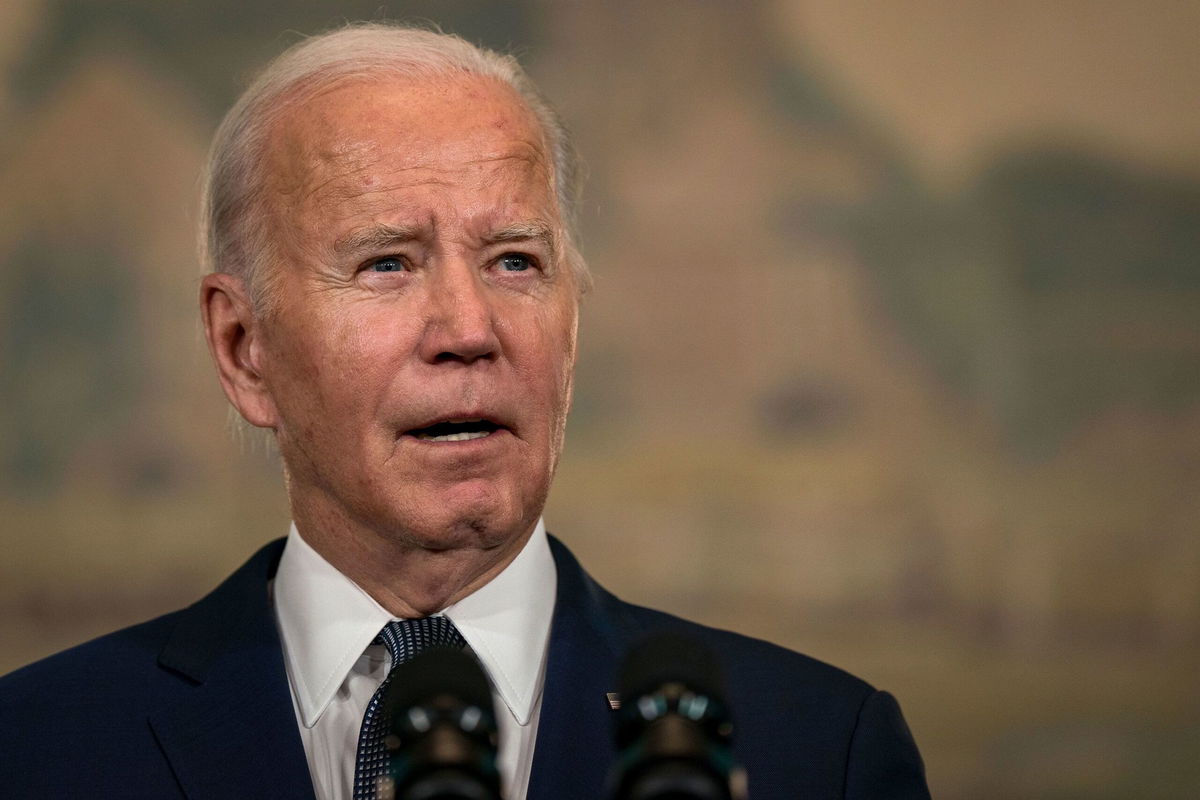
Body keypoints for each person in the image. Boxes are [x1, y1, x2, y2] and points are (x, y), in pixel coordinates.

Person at [0, 23, 929, 800]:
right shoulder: (37, 750)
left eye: (515, 261)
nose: (469, 328)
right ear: (245, 348)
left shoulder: (818, 751)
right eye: (387, 263)